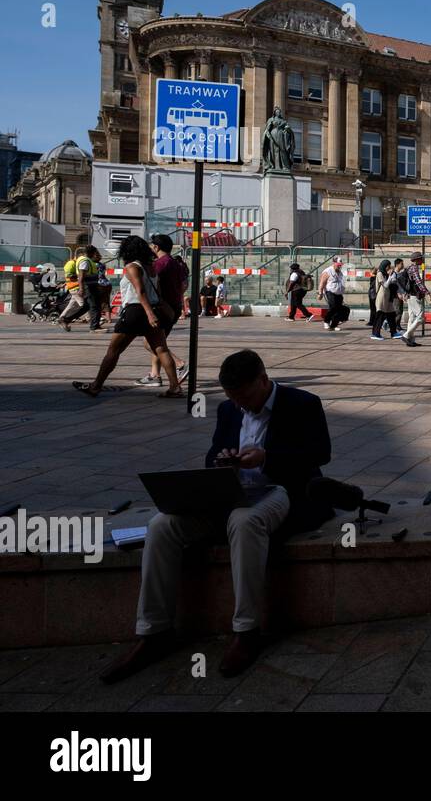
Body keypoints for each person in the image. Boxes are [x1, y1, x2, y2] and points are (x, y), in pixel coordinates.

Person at [99, 350, 336, 683]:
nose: (242, 405)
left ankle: (246, 631)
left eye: (247, 397)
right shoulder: (228, 409)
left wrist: (266, 458)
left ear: (264, 380)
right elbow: (213, 453)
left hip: (280, 491)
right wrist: (222, 460)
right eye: (234, 399)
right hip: (231, 493)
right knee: (162, 524)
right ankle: (154, 631)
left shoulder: (303, 403)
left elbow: (319, 453)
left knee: (244, 521)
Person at [73, 235, 182, 399]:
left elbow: (140, 292)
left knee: (113, 351)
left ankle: (96, 386)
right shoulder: (150, 267)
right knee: (161, 349)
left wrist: (149, 314)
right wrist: (155, 312)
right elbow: (157, 293)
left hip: (135, 311)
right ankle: (174, 387)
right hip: (151, 309)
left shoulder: (133, 267)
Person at [136, 235, 189, 388]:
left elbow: (150, 285)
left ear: (156, 247)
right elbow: (184, 284)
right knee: (159, 339)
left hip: (163, 307)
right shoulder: (175, 263)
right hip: (174, 306)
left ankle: (179, 364)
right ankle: (155, 374)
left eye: (151, 246)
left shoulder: (159, 264)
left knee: (150, 342)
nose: (150, 248)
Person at [58, 246, 104, 332]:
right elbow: (81, 276)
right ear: (92, 253)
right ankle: (95, 327)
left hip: (90, 286)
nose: (96, 254)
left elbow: (97, 260)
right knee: (94, 306)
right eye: (95, 252)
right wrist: (81, 289)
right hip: (88, 287)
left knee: (86, 307)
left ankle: (65, 319)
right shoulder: (84, 261)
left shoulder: (87, 260)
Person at [400, 253, 429, 347]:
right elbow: (418, 282)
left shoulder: (409, 268)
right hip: (413, 296)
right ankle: (406, 335)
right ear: (416, 260)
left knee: (412, 318)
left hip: (409, 295)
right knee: (421, 317)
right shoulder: (414, 268)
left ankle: (410, 340)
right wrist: (427, 292)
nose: (422, 260)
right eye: (421, 258)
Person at [372, 259, 400, 341]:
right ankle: (375, 333)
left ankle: (394, 332)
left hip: (388, 297)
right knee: (380, 315)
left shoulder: (386, 273)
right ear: (384, 265)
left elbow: (393, 282)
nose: (389, 267)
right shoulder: (380, 273)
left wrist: (392, 276)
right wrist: (390, 277)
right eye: (388, 265)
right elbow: (386, 285)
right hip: (382, 297)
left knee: (391, 314)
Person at [317, 257, 347, 331]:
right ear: (334, 263)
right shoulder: (328, 271)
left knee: (338, 309)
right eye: (338, 264)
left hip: (338, 293)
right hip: (330, 292)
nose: (340, 266)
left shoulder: (340, 272)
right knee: (333, 306)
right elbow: (322, 283)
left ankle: (334, 325)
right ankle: (326, 320)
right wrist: (320, 293)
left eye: (340, 265)